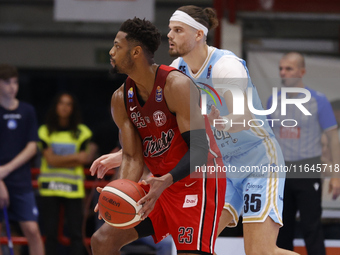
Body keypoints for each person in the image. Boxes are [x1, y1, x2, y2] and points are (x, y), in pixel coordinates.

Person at [167, 5, 299, 255]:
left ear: (199, 34)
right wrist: (124, 153)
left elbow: (243, 117)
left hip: (258, 161)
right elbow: (167, 125)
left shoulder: (225, 66)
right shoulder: (177, 70)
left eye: (178, 30)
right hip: (221, 169)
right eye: (170, 30)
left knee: (259, 252)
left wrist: (219, 122)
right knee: (193, 244)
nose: (170, 35)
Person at [90, 17, 226, 255]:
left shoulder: (176, 85)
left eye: (117, 46)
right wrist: (120, 193)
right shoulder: (121, 98)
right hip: (158, 185)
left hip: (197, 182)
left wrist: (167, 180)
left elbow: (199, 149)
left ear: (136, 52)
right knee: (103, 240)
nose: (111, 52)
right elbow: (133, 158)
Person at [267, 52, 340, 254]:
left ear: (302, 71)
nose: (283, 72)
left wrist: (336, 175)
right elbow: (266, 138)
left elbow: (333, 138)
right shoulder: (273, 100)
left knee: (311, 227)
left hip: (308, 169)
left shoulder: (319, 101)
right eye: (281, 68)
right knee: (282, 230)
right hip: (281, 173)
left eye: (289, 68)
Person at [37, 92, 93, 255]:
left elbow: (84, 158)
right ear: (55, 106)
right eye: (61, 103)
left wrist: (57, 158)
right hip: (50, 188)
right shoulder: (45, 131)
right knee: (51, 234)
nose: (64, 107)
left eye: (69, 104)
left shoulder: (82, 132)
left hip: (73, 189)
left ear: (73, 108)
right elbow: (50, 160)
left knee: (76, 234)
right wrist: (73, 158)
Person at [0, 64, 44, 255]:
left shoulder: (27, 111)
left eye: (15, 82)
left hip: (20, 180)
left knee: (33, 231)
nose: (12, 87)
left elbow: (32, 147)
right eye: (7, 82)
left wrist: (5, 170)